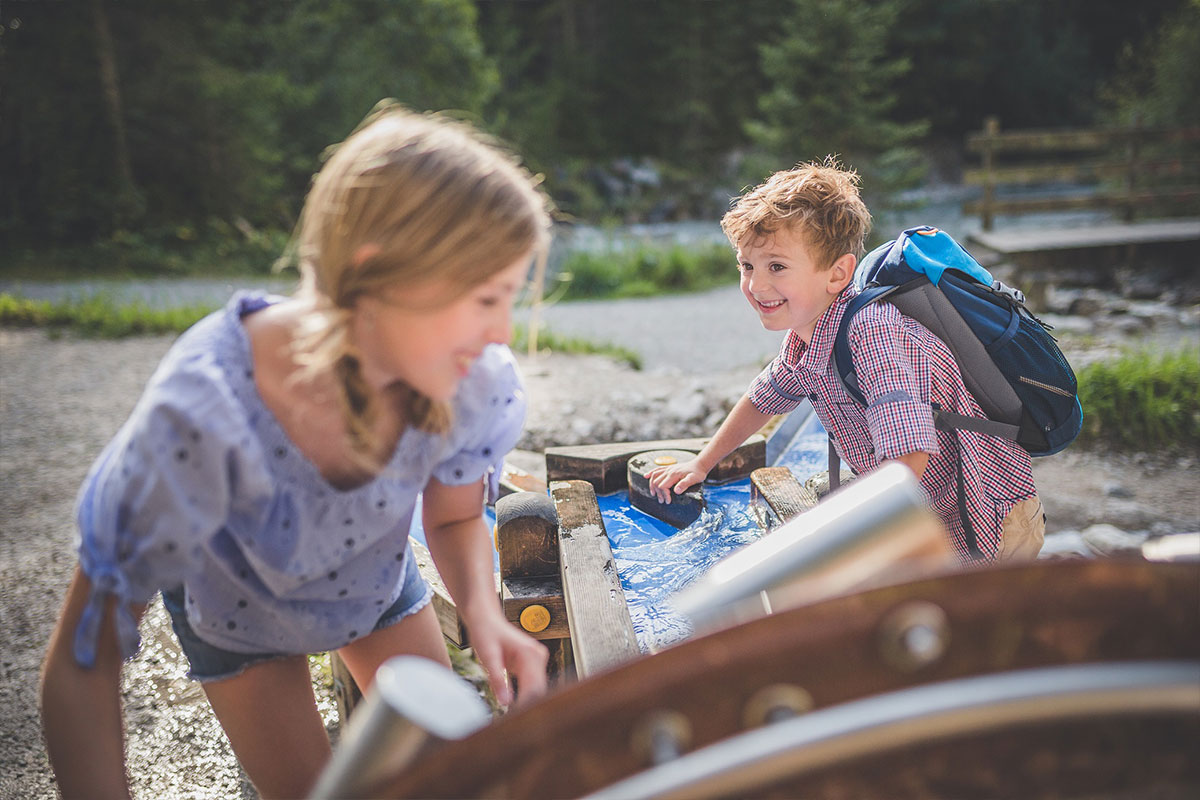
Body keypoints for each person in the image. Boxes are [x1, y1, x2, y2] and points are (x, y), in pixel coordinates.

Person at [40, 104, 553, 799]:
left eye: (512, 300)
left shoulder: (468, 382)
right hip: (235, 613)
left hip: (370, 582)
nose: (502, 333)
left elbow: (458, 516)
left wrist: (485, 616)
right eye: (486, 298)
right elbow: (84, 663)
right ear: (376, 276)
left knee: (452, 780)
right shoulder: (200, 418)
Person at [648, 160, 1044, 563]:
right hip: (928, 510)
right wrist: (702, 464)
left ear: (837, 275)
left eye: (777, 267)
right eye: (747, 266)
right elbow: (763, 398)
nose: (755, 285)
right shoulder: (808, 336)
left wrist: (853, 539)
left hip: (988, 518)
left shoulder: (871, 331)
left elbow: (909, 453)